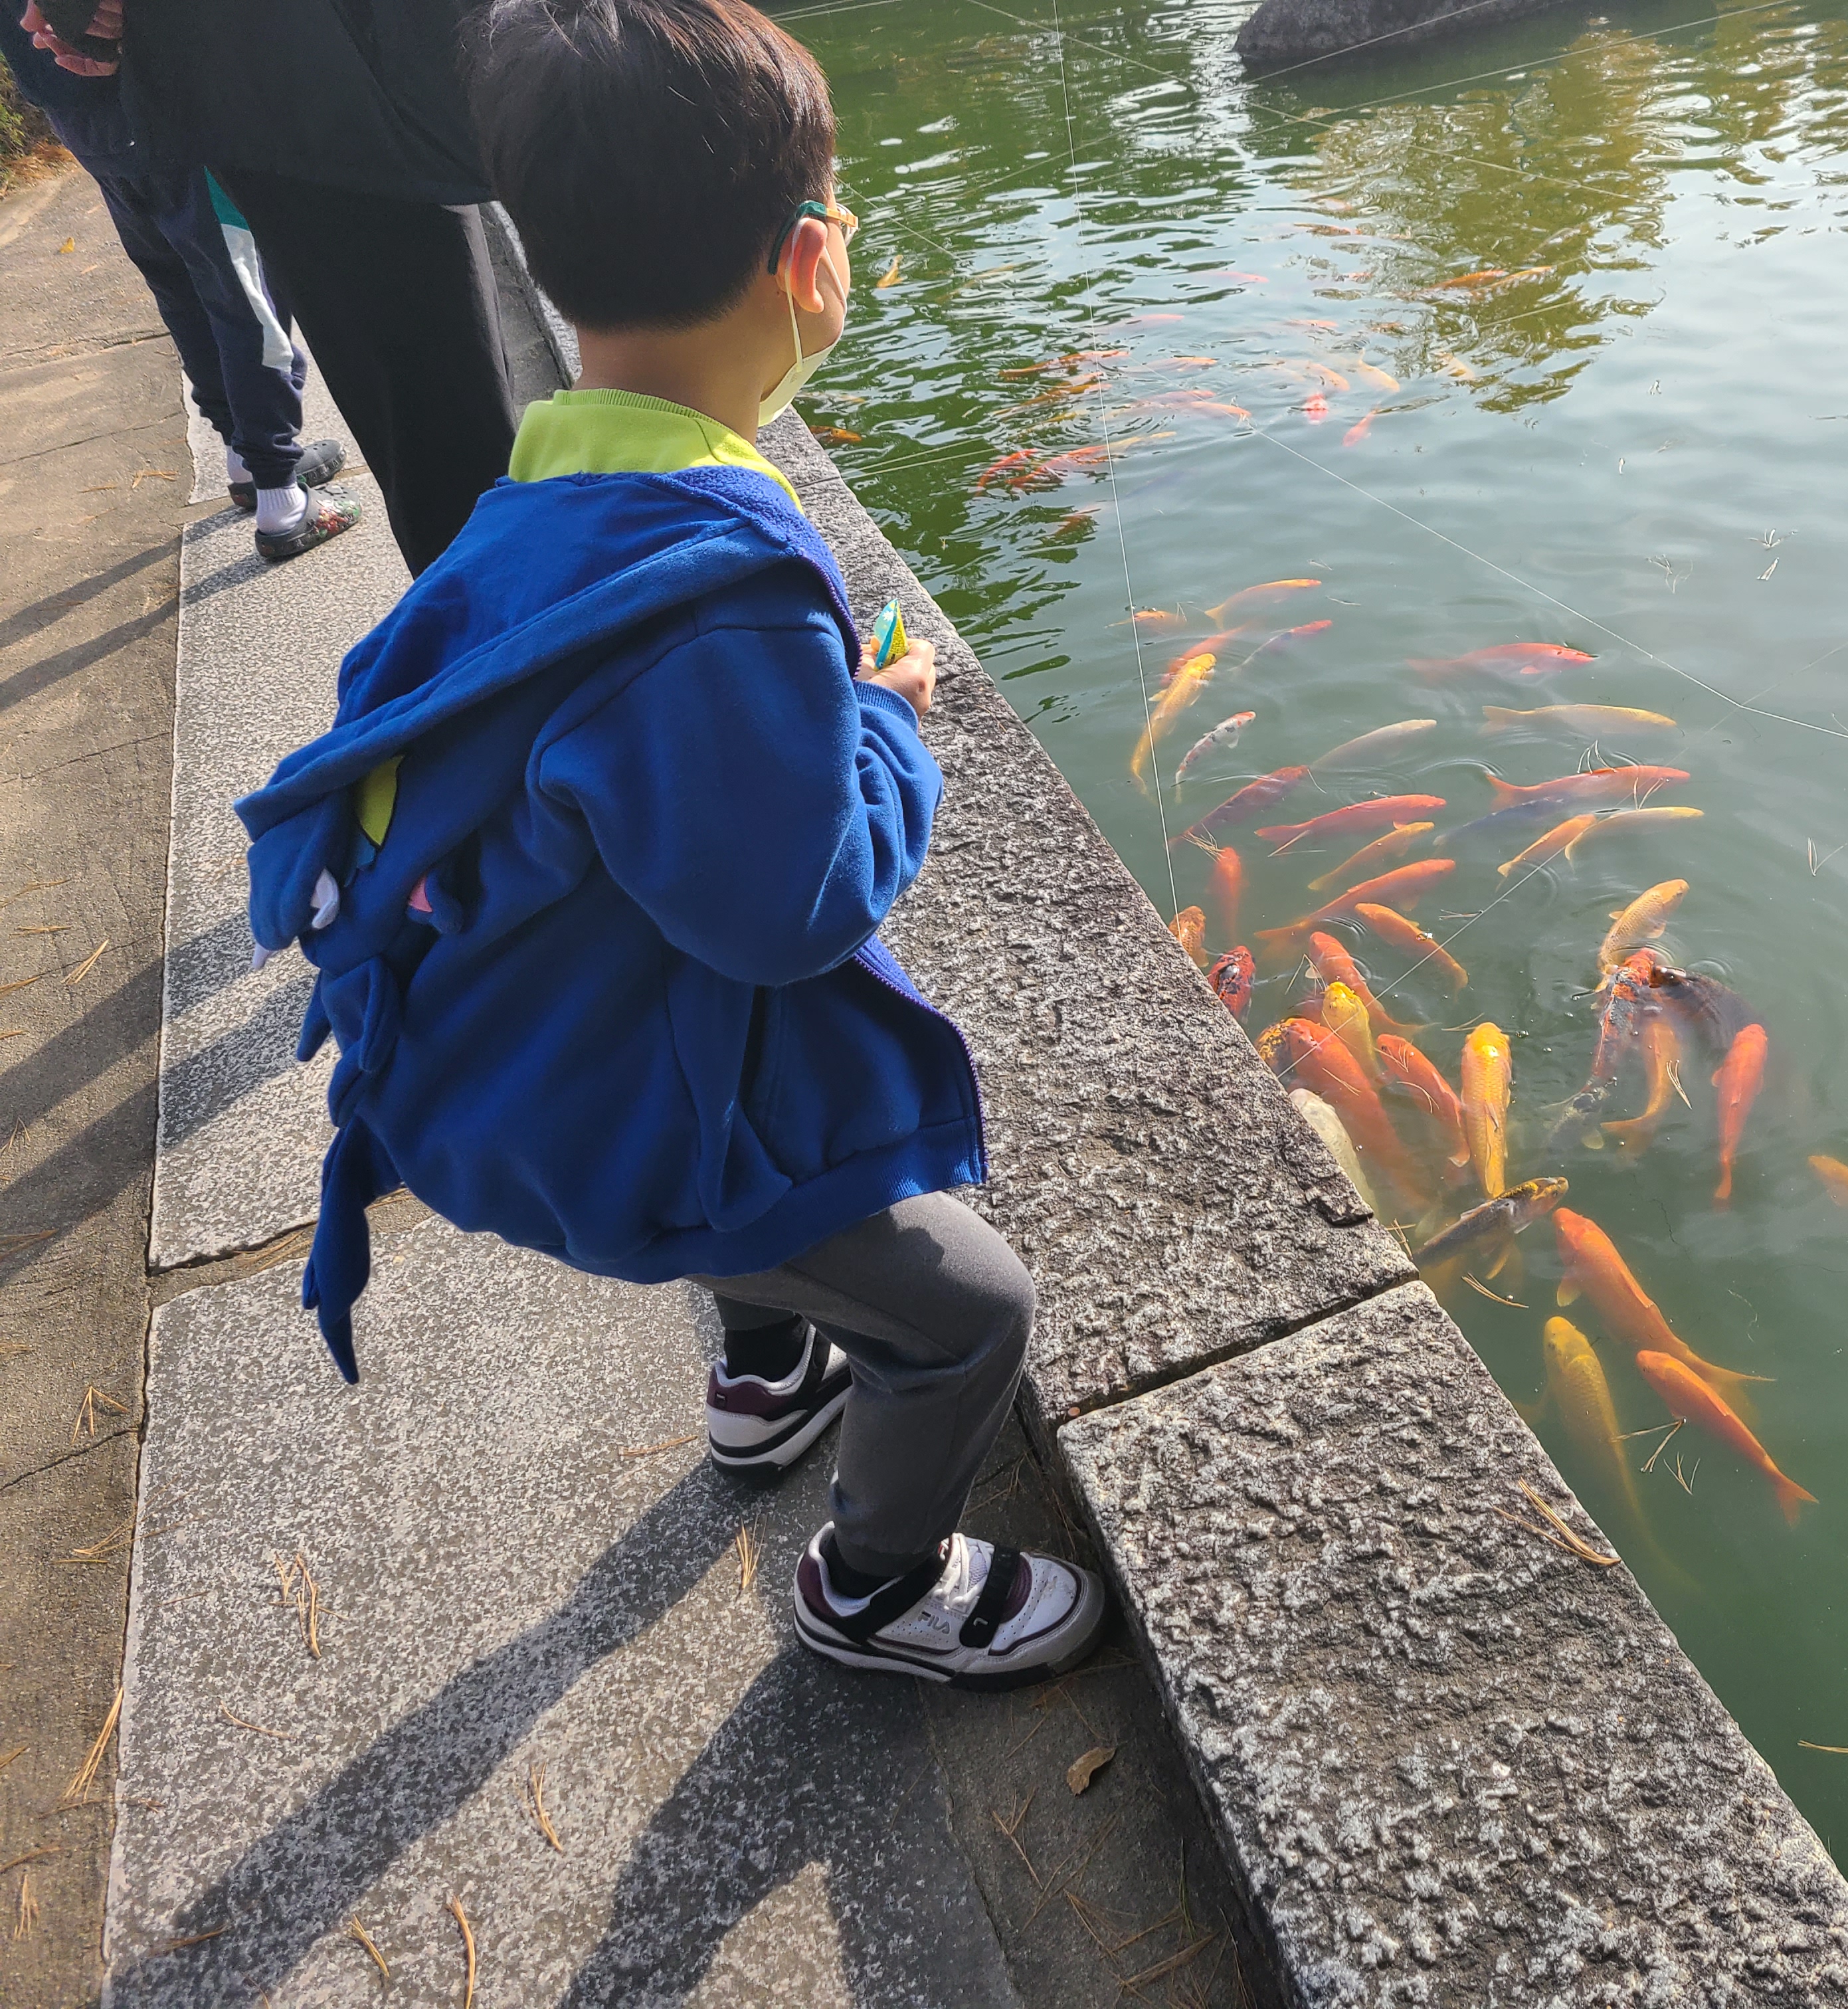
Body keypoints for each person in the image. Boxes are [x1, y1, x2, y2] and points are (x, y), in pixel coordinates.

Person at [231, 0, 1105, 1691]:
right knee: (972, 1313)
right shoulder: (718, 588)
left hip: (495, 1058)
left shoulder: (539, 495)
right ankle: (874, 1585)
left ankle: (768, 1373)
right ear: (808, 263)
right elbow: (799, 909)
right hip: (599, 1122)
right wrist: (885, 723)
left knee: (756, 1137)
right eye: (839, 213)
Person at [25, 0, 519, 575]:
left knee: (203, 292)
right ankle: (275, 474)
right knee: (431, 405)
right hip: (314, 75)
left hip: (223, 84)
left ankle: (256, 458)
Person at [7, 5, 357, 559]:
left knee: (180, 285)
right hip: (159, 88)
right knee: (243, 289)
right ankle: (281, 497)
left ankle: (247, 458)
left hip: (76, 110)